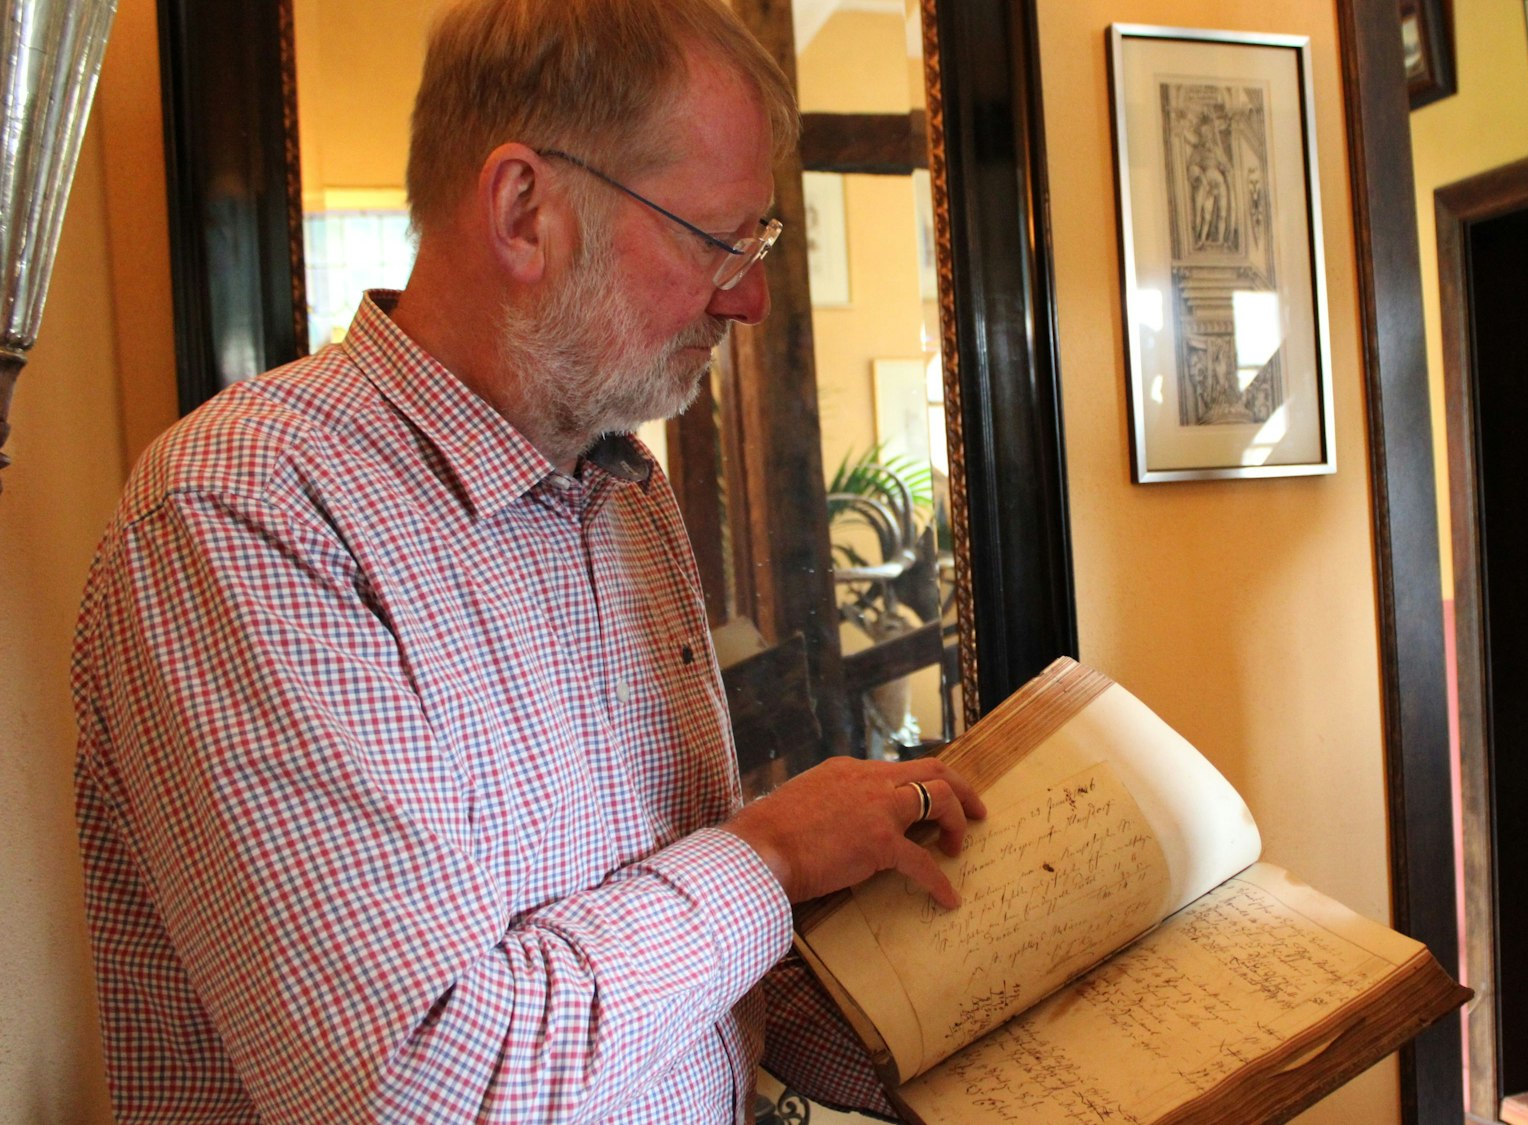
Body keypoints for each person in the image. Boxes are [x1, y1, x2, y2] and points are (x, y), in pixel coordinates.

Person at [69, 0, 983, 1120]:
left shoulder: (623, 498)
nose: (747, 296)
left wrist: (978, 1038)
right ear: (521, 210)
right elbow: (429, 1084)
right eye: (717, 239)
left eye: (760, 245)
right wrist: (771, 857)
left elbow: (681, 985)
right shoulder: (250, 513)